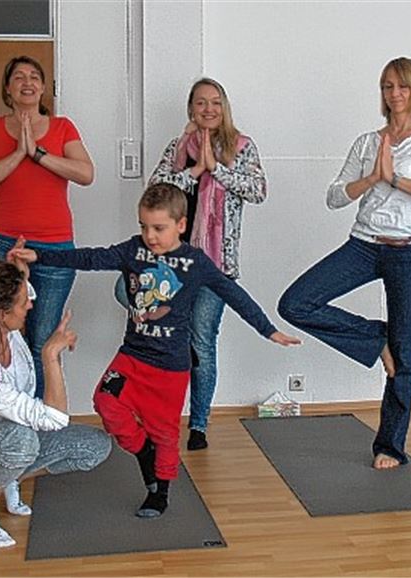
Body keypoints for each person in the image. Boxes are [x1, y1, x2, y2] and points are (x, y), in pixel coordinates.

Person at [9, 183, 300, 518]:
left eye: (158, 228)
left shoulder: (195, 262)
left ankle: (158, 491)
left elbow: (233, 295)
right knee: (105, 402)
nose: (150, 235)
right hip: (132, 356)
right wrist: (39, 254)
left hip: (170, 368)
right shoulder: (133, 251)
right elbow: (89, 257)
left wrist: (268, 330)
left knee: (165, 432)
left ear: (180, 224)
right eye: (144, 226)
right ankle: (143, 452)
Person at [277, 57, 411, 470]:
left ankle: (389, 446)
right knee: (296, 303)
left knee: (405, 353)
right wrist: (374, 177)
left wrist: (397, 179)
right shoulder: (366, 142)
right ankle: (376, 339)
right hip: (364, 244)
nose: (394, 94)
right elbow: (335, 196)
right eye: (387, 86)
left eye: (402, 87)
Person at [0, 259, 111, 548]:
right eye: (23, 300)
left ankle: (4, 475)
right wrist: (50, 354)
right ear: (2, 313)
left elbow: (23, 295)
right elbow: (54, 419)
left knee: (95, 446)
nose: (30, 304)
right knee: (22, 437)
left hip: (8, 439)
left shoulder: (7, 331)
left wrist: (19, 272)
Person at [0, 55, 95, 398]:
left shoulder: (63, 127)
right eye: (18, 77)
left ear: (43, 87)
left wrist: (37, 154)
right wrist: (17, 153)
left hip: (55, 248)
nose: (27, 82)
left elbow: (85, 174)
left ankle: (37, 423)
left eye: (34, 76)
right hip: (6, 241)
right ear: (8, 88)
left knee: (40, 340)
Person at [146, 78, 268, 451]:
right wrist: (195, 169)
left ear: (224, 107)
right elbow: (156, 190)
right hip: (172, 261)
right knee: (130, 297)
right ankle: (158, 414)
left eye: (215, 102)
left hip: (215, 266)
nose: (208, 109)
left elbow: (258, 190)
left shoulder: (243, 147)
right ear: (191, 109)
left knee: (203, 341)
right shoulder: (178, 147)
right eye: (201, 103)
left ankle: (198, 425)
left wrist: (217, 168)